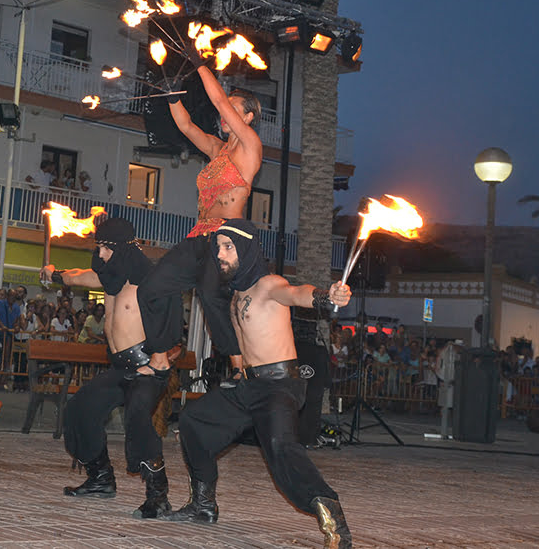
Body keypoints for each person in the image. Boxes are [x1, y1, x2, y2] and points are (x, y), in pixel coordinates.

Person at [164, 219, 352, 548]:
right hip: (248, 385)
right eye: (218, 247)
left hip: (279, 385)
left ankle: (331, 514)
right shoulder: (237, 292)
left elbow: (296, 294)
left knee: (281, 448)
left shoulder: (268, 284)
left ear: (247, 249)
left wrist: (326, 296)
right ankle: (203, 505)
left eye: (228, 247)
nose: (220, 254)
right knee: (194, 421)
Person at [42, 217, 181, 519]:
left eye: (105, 248)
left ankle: (158, 497)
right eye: (99, 248)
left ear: (121, 248)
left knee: (138, 420)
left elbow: (170, 319)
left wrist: (158, 363)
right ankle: (101, 479)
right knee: (81, 409)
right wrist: (55, 275)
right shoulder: (111, 276)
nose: (100, 254)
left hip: (147, 368)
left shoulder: (150, 279)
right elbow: (79, 276)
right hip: (121, 369)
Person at [136, 66, 262, 378]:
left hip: (229, 236)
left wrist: (200, 66)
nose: (226, 110)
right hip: (199, 234)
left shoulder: (250, 145)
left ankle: (237, 365)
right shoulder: (218, 149)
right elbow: (186, 125)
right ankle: (164, 352)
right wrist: (173, 93)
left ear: (247, 118)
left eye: (235, 107)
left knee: (209, 294)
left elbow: (218, 101)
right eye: (227, 105)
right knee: (151, 287)